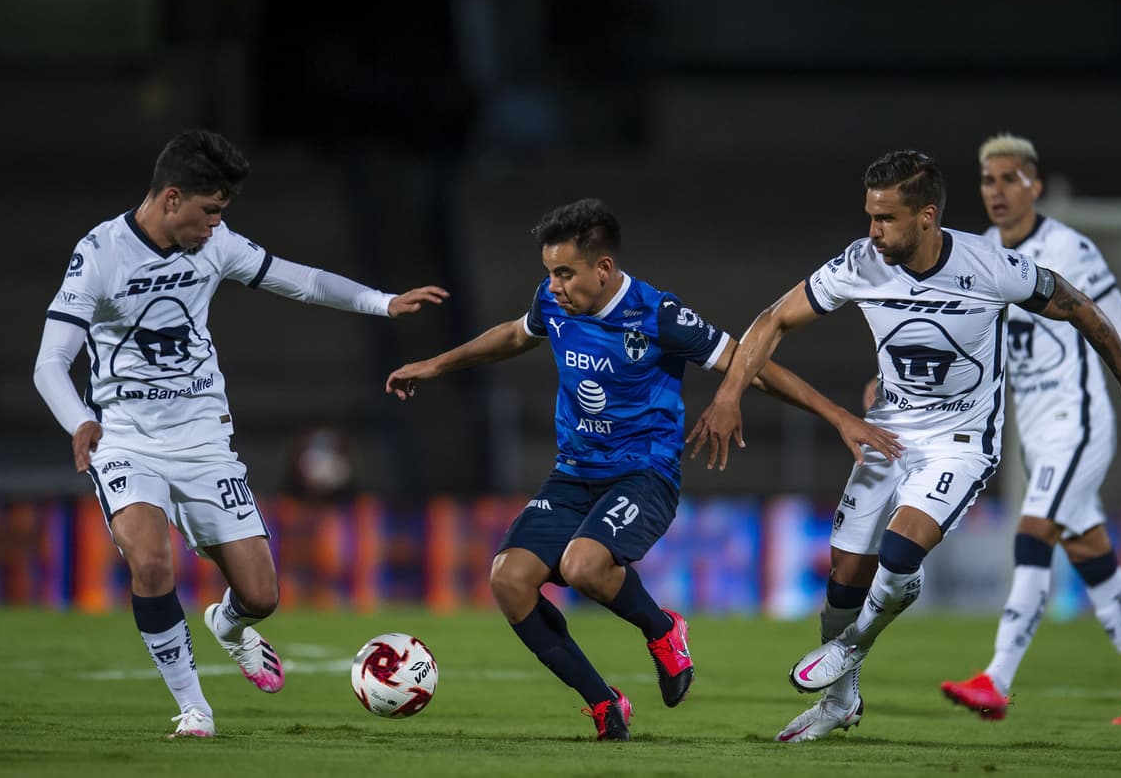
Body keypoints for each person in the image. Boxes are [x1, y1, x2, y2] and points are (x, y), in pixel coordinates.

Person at [686, 150, 1121, 743]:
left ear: (926, 216)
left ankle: (853, 645)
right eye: (869, 216)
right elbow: (773, 320)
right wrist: (731, 392)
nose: (872, 231)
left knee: (901, 547)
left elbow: (1079, 308)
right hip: (889, 430)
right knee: (844, 574)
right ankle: (841, 702)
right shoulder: (860, 264)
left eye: (885, 219)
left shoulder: (990, 266)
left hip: (960, 440)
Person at [385, 198, 902, 741]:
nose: (554, 286)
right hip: (573, 473)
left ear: (603, 268)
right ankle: (605, 705)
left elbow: (753, 363)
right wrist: (436, 364)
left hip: (644, 474)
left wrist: (836, 416)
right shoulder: (553, 302)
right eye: (549, 273)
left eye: (565, 273)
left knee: (584, 566)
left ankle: (662, 629)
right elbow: (515, 336)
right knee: (509, 580)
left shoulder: (657, 314)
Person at [32, 129, 448, 738]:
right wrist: (81, 420)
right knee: (151, 563)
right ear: (172, 198)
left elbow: (297, 279)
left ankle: (228, 626)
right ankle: (195, 708)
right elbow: (50, 362)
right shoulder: (100, 254)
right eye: (209, 213)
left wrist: (381, 302)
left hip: (204, 437)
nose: (214, 228)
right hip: (125, 439)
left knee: (261, 595)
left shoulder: (216, 244)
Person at [939, 133, 1121, 724]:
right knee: (1087, 549)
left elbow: (1118, 320)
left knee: (1033, 532)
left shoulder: (1069, 248)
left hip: (1080, 420)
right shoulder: (986, 249)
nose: (997, 191)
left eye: (1010, 179)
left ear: (1034, 185)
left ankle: (996, 677)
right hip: (1035, 431)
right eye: (988, 180)